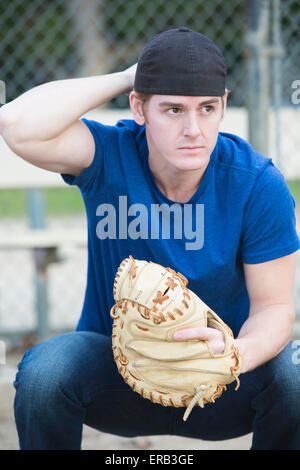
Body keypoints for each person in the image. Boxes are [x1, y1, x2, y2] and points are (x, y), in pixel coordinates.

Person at [0, 27, 299, 450]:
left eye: (207, 108)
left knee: (296, 373)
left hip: (216, 380)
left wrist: (234, 356)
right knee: (45, 373)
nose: (193, 129)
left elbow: (275, 308)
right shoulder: (110, 155)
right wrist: (127, 77)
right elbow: (15, 123)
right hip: (120, 375)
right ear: (139, 108)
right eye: (173, 109)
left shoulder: (255, 182)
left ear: (223, 107)